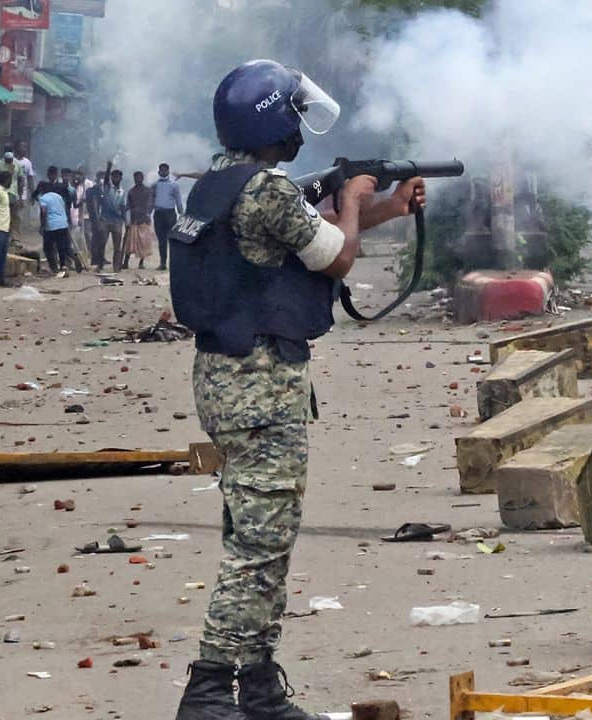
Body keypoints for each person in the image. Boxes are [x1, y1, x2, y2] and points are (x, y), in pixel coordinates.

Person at [169, 59, 425, 720]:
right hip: (258, 389)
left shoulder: (220, 186)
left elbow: (317, 236)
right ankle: (207, 689)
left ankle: (256, 687)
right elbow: (338, 253)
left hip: (228, 383)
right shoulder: (268, 192)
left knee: (262, 533)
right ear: (276, 121)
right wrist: (353, 194)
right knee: (259, 547)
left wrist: (387, 204)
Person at [36, 180, 75, 276]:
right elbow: (64, 208)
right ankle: (63, 266)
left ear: (42, 189)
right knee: (61, 246)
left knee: (48, 247)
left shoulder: (43, 198)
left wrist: (42, 225)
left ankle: (54, 267)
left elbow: (44, 212)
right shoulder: (58, 196)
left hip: (51, 225)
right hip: (62, 223)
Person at [123, 170, 156, 269]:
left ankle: (141, 263)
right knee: (129, 243)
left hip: (144, 220)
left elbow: (151, 204)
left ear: (142, 178)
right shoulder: (131, 191)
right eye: (136, 178)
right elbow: (127, 207)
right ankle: (125, 262)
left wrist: (148, 213)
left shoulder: (148, 191)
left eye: (139, 177)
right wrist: (127, 220)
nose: (138, 179)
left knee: (143, 243)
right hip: (134, 220)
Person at [153, 162, 183, 270]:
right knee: (161, 240)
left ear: (168, 171)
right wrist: (148, 213)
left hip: (170, 213)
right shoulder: (155, 185)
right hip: (158, 214)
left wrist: (181, 214)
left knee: (172, 240)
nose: (164, 172)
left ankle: (174, 263)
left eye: (165, 170)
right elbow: (152, 200)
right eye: (162, 170)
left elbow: (178, 200)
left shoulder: (174, 184)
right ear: (159, 172)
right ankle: (163, 263)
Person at [99, 168, 128, 271]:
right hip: (105, 219)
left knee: (117, 246)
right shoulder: (107, 188)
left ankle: (116, 266)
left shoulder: (122, 192)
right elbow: (106, 180)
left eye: (117, 176)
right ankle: (100, 264)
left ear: (120, 178)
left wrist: (126, 222)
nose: (115, 178)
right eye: (113, 176)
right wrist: (108, 168)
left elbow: (123, 208)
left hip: (117, 221)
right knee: (102, 243)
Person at [85, 170, 107, 270]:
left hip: (105, 218)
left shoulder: (106, 190)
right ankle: (97, 259)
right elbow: (94, 206)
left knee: (101, 239)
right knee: (97, 239)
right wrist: (97, 219)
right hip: (96, 218)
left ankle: (100, 258)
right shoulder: (93, 190)